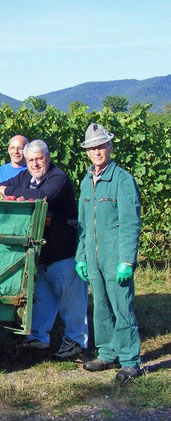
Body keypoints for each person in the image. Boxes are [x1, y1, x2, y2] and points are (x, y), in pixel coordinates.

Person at [0, 140, 88, 359]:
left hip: (62, 250)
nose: (35, 164)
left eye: (39, 159)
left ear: (47, 158)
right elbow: (6, 184)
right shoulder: (26, 176)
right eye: (30, 160)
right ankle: (38, 338)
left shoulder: (57, 177)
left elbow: (41, 196)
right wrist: (7, 189)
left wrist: (9, 191)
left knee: (71, 300)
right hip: (42, 252)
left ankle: (76, 341)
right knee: (44, 298)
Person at [75, 123, 142, 381]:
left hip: (115, 255)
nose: (97, 151)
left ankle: (129, 360)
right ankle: (106, 353)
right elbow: (82, 224)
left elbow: (130, 223)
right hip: (93, 255)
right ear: (87, 152)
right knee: (100, 305)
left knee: (121, 305)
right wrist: (81, 255)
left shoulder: (122, 179)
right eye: (92, 148)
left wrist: (127, 260)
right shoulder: (85, 182)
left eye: (101, 146)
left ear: (110, 148)